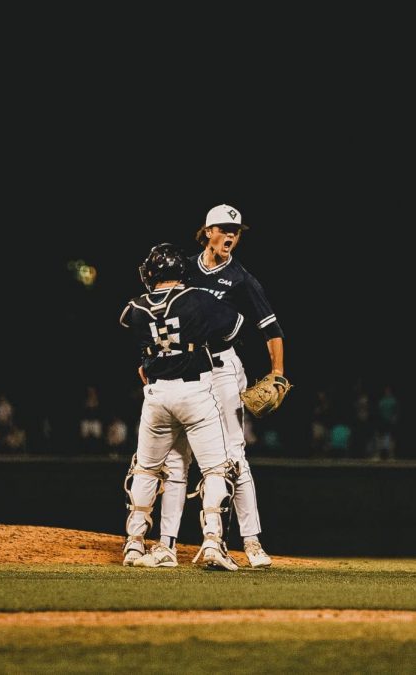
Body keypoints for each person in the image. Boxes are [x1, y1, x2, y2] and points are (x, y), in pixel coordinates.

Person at [141, 204, 282, 570]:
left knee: (234, 455)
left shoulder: (240, 279)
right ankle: (167, 544)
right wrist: (149, 359)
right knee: (176, 458)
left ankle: (251, 542)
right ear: (206, 231)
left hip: (221, 368)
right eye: (223, 228)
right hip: (183, 367)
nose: (231, 235)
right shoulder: (182, 268)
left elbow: (271, 328)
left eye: (235, 230)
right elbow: (157, 315)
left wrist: (277, 371)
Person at [119, 242, 244, 571]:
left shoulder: (136, 305)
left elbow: (138, 337)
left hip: (157, 396)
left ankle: (136, 544)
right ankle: (214, 542)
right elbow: (233, 328)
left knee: (147, 469)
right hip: (194, 393)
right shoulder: (197, 298)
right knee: (216, 470)